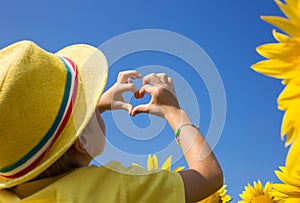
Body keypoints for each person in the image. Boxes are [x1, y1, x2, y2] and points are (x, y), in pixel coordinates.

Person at [0, 40, 223, 203]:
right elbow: (208, 176)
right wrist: (174, 111)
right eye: (89, 110)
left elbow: (67, 142)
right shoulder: (113, 189)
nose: (97, 106)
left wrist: (94, 110)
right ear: (83, 142)